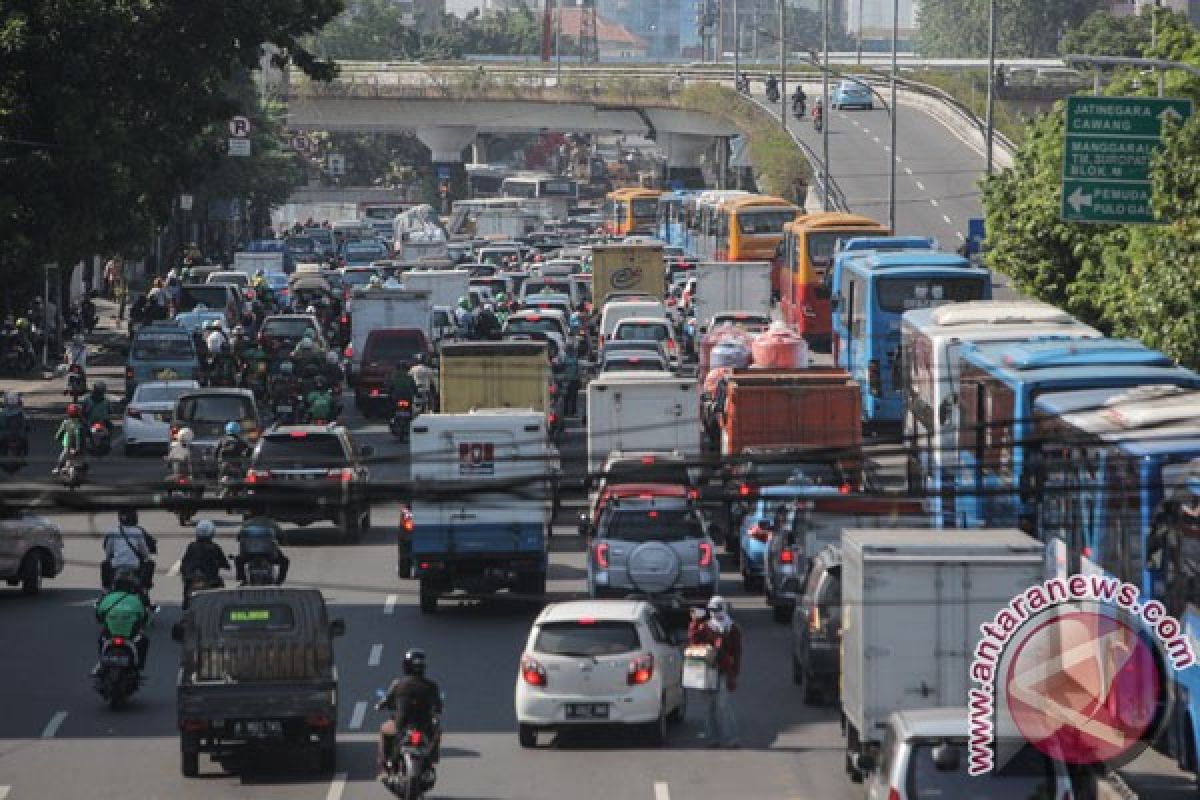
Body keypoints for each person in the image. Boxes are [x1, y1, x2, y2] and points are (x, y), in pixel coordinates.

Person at [376, 648, 444, 776]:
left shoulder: (399, 684)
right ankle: (432, 758)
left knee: (384, 730)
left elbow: (386, 700)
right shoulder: (432, 686)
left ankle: (384, 767)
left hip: (402, 725)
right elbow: (439, 706)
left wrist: (380, 705)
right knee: (437, 730)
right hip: (425, 727)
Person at [687, 595, 742, 748]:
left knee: (723, 705)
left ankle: (731, 739)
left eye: (717, 609)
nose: (714, 613)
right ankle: (712, 739)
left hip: (724, 671)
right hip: (706, 672)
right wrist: (695, 621)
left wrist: (734, 674)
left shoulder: (732, 628)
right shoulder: (705, 627)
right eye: (712, 610)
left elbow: (737, 653)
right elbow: (693, 640)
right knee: (708, 706)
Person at [95, 570, 152, 669]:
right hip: (129, 636)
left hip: (110, 635)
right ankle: (139, 666)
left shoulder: (108, 598)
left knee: (101, 639)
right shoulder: (136, 600)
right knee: (144, 641)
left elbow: (99, 616)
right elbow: (144, 619)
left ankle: (102, 663)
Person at [101, 508, 156, 598]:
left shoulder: (112, 532)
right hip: (134, 566)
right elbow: (145, 554)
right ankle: (145, 590)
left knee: (104, 564)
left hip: (116, 566)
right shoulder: (138, 532)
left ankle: (105, 590)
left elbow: (108, 553)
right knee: (150, 563)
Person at [234, 517, 290, 585]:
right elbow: (281, 535)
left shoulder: (247, 523)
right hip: (268, 553)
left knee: (238, 560)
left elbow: (238, 537)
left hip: (249, 553)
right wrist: (283, 541)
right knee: (285, 561)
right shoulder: (271, 522)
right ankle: (279, 582)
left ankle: (242, 579)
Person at [180, 519, 230, 584]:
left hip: (191, 579)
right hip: (209, 579)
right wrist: (226, 566)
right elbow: (224, 562)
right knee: (219, 584)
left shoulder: (191, 546)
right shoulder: (214, 547)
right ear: (212, 533)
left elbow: (185, 561)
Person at [53, 403, 86, 474]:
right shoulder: (82, 423)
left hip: (68, 444)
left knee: (63, 456)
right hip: (80, 446)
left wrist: (57, 437)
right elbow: (88, 431)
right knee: (82, 457)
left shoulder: (66, 422)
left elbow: (59, 433)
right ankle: (83, 469)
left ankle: (58, 467)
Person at [1, 391, 30, 457]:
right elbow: (26, 420)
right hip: (16, 433)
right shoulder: (20, 411)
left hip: (8, 433)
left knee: (24, 441)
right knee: (25, 441)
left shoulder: (4, 411)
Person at [560, 343, 580, 417]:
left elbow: (577, 369)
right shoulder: (566, 358)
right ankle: (569, 412)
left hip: (570, 380)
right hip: (569, 380)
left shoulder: (566, 358)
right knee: (569, 397)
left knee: (570, 397)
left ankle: (570, 412)